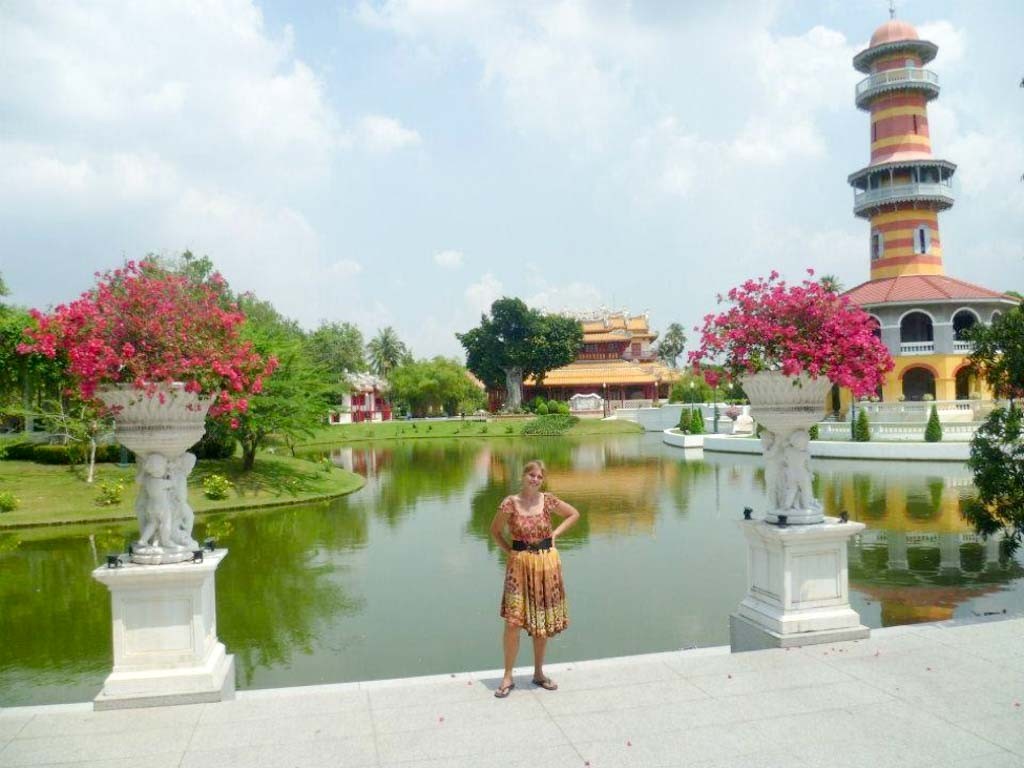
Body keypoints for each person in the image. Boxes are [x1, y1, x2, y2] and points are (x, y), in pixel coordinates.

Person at [489, 459, 580, 698]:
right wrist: (510, 551)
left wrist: (555, 534)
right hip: (519, 565)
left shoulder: (548, 500)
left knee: (541, 622)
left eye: (540, 477)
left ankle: (539, 673)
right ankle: (507, 676)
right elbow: (495, 531)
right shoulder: (510, 503)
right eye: (532, 475)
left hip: (545, 563)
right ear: (523, 476)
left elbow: (573, 514)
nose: (535, 480)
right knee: (512, 622)